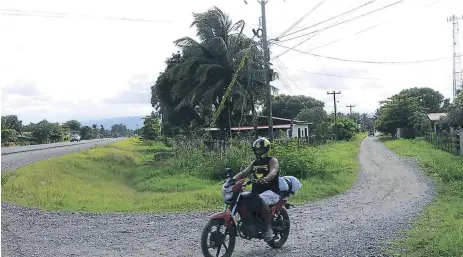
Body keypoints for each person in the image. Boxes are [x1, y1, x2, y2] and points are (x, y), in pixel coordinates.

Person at [233, 137, 280, 241]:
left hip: (271, 192)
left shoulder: (272, 160)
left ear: (266, 149)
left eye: (261, 149)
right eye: (257, 150)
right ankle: (248, 222)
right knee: (241, 198)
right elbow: (243, 173)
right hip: (256, 192)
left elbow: (273, 172)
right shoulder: (254, 162)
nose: (259, 152)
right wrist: (232, 180)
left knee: (260, 200)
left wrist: (265, 178)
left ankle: (268, 229)